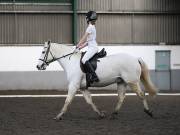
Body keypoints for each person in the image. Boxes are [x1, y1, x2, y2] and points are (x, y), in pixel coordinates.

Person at [75, 11, 99, 82]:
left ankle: (94, 76)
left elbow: (84, 38)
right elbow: (88, 42)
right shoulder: (92, 27)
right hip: (92, 47)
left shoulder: (90, 27)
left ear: (88, 19)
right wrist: (79, 48)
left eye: (86, 18)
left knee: (84, 59)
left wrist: (77, 45)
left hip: (93, 48)